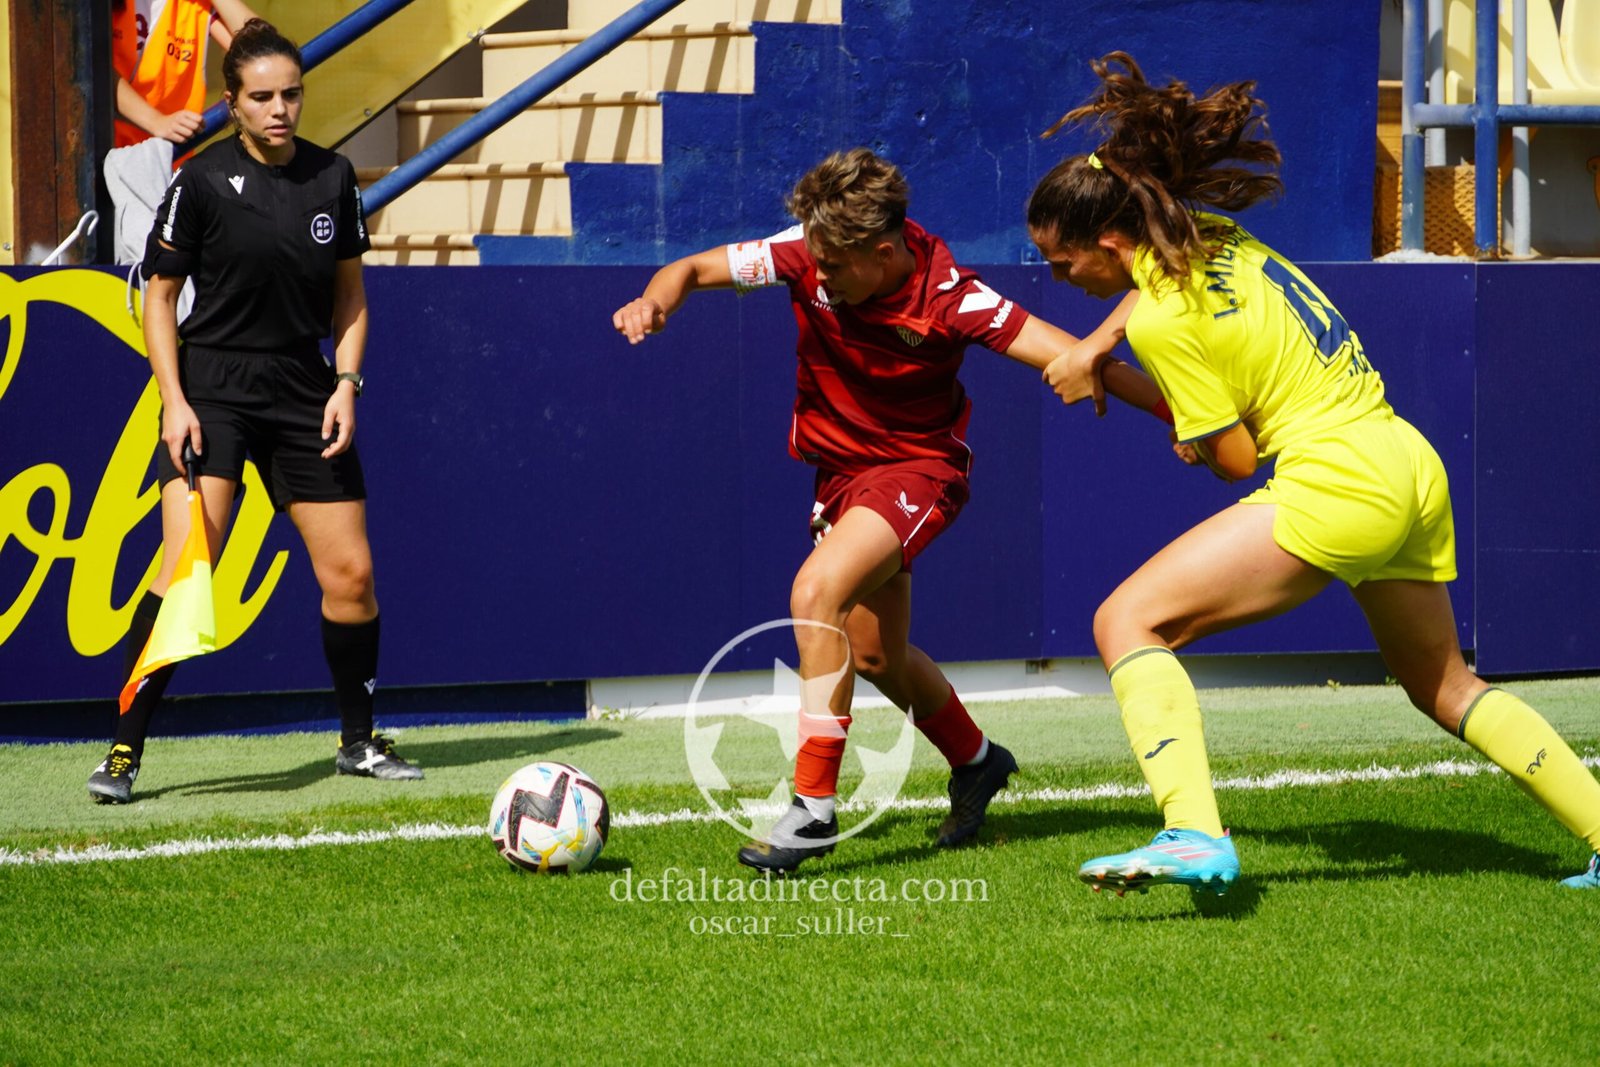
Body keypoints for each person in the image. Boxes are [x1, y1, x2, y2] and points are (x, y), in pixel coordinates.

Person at [1027, 52, 1600, 893]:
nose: (1059, 277)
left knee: (1128, 622)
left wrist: (1153, 401)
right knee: (1446, 686)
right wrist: (1098, 344)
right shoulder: (1207, 234)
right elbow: (1148, 294)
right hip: (1405, 462)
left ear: (1110, 241)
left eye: (1063, 262)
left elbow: (1233, 459)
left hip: (1334, 479)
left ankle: (1191, 831)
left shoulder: (1163, 324)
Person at [613, 148, 1168, 873]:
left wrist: (1182, 413)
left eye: (836, 267)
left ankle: (812, 807)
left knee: (815, 592)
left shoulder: (951, 297)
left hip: (916, 470)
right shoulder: (805, 253)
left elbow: (1071, 351)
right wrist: (655, 300)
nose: (820, 276)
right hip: (839, 475)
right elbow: (688, 269)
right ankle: (977, 759)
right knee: (874, 654)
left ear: (884, 250)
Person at [88, 19, 421, 804]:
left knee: (352, 576)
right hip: (212, 390)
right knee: (185, 569)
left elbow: (350, 298)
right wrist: (174, 403)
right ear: (232, 103)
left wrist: (346, 384)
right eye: (262, 97)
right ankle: (123, 750)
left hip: (304, 389)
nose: (280, 109)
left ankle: (357, 741)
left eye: (291, 94)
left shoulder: (332, 176)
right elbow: (160, 300)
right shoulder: (199, 182)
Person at [112, 0, 259, 148]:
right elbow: (93, 67)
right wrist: (156, 121)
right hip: (104, 153)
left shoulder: (193, 5)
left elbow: (263, 52)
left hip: (167, 158)